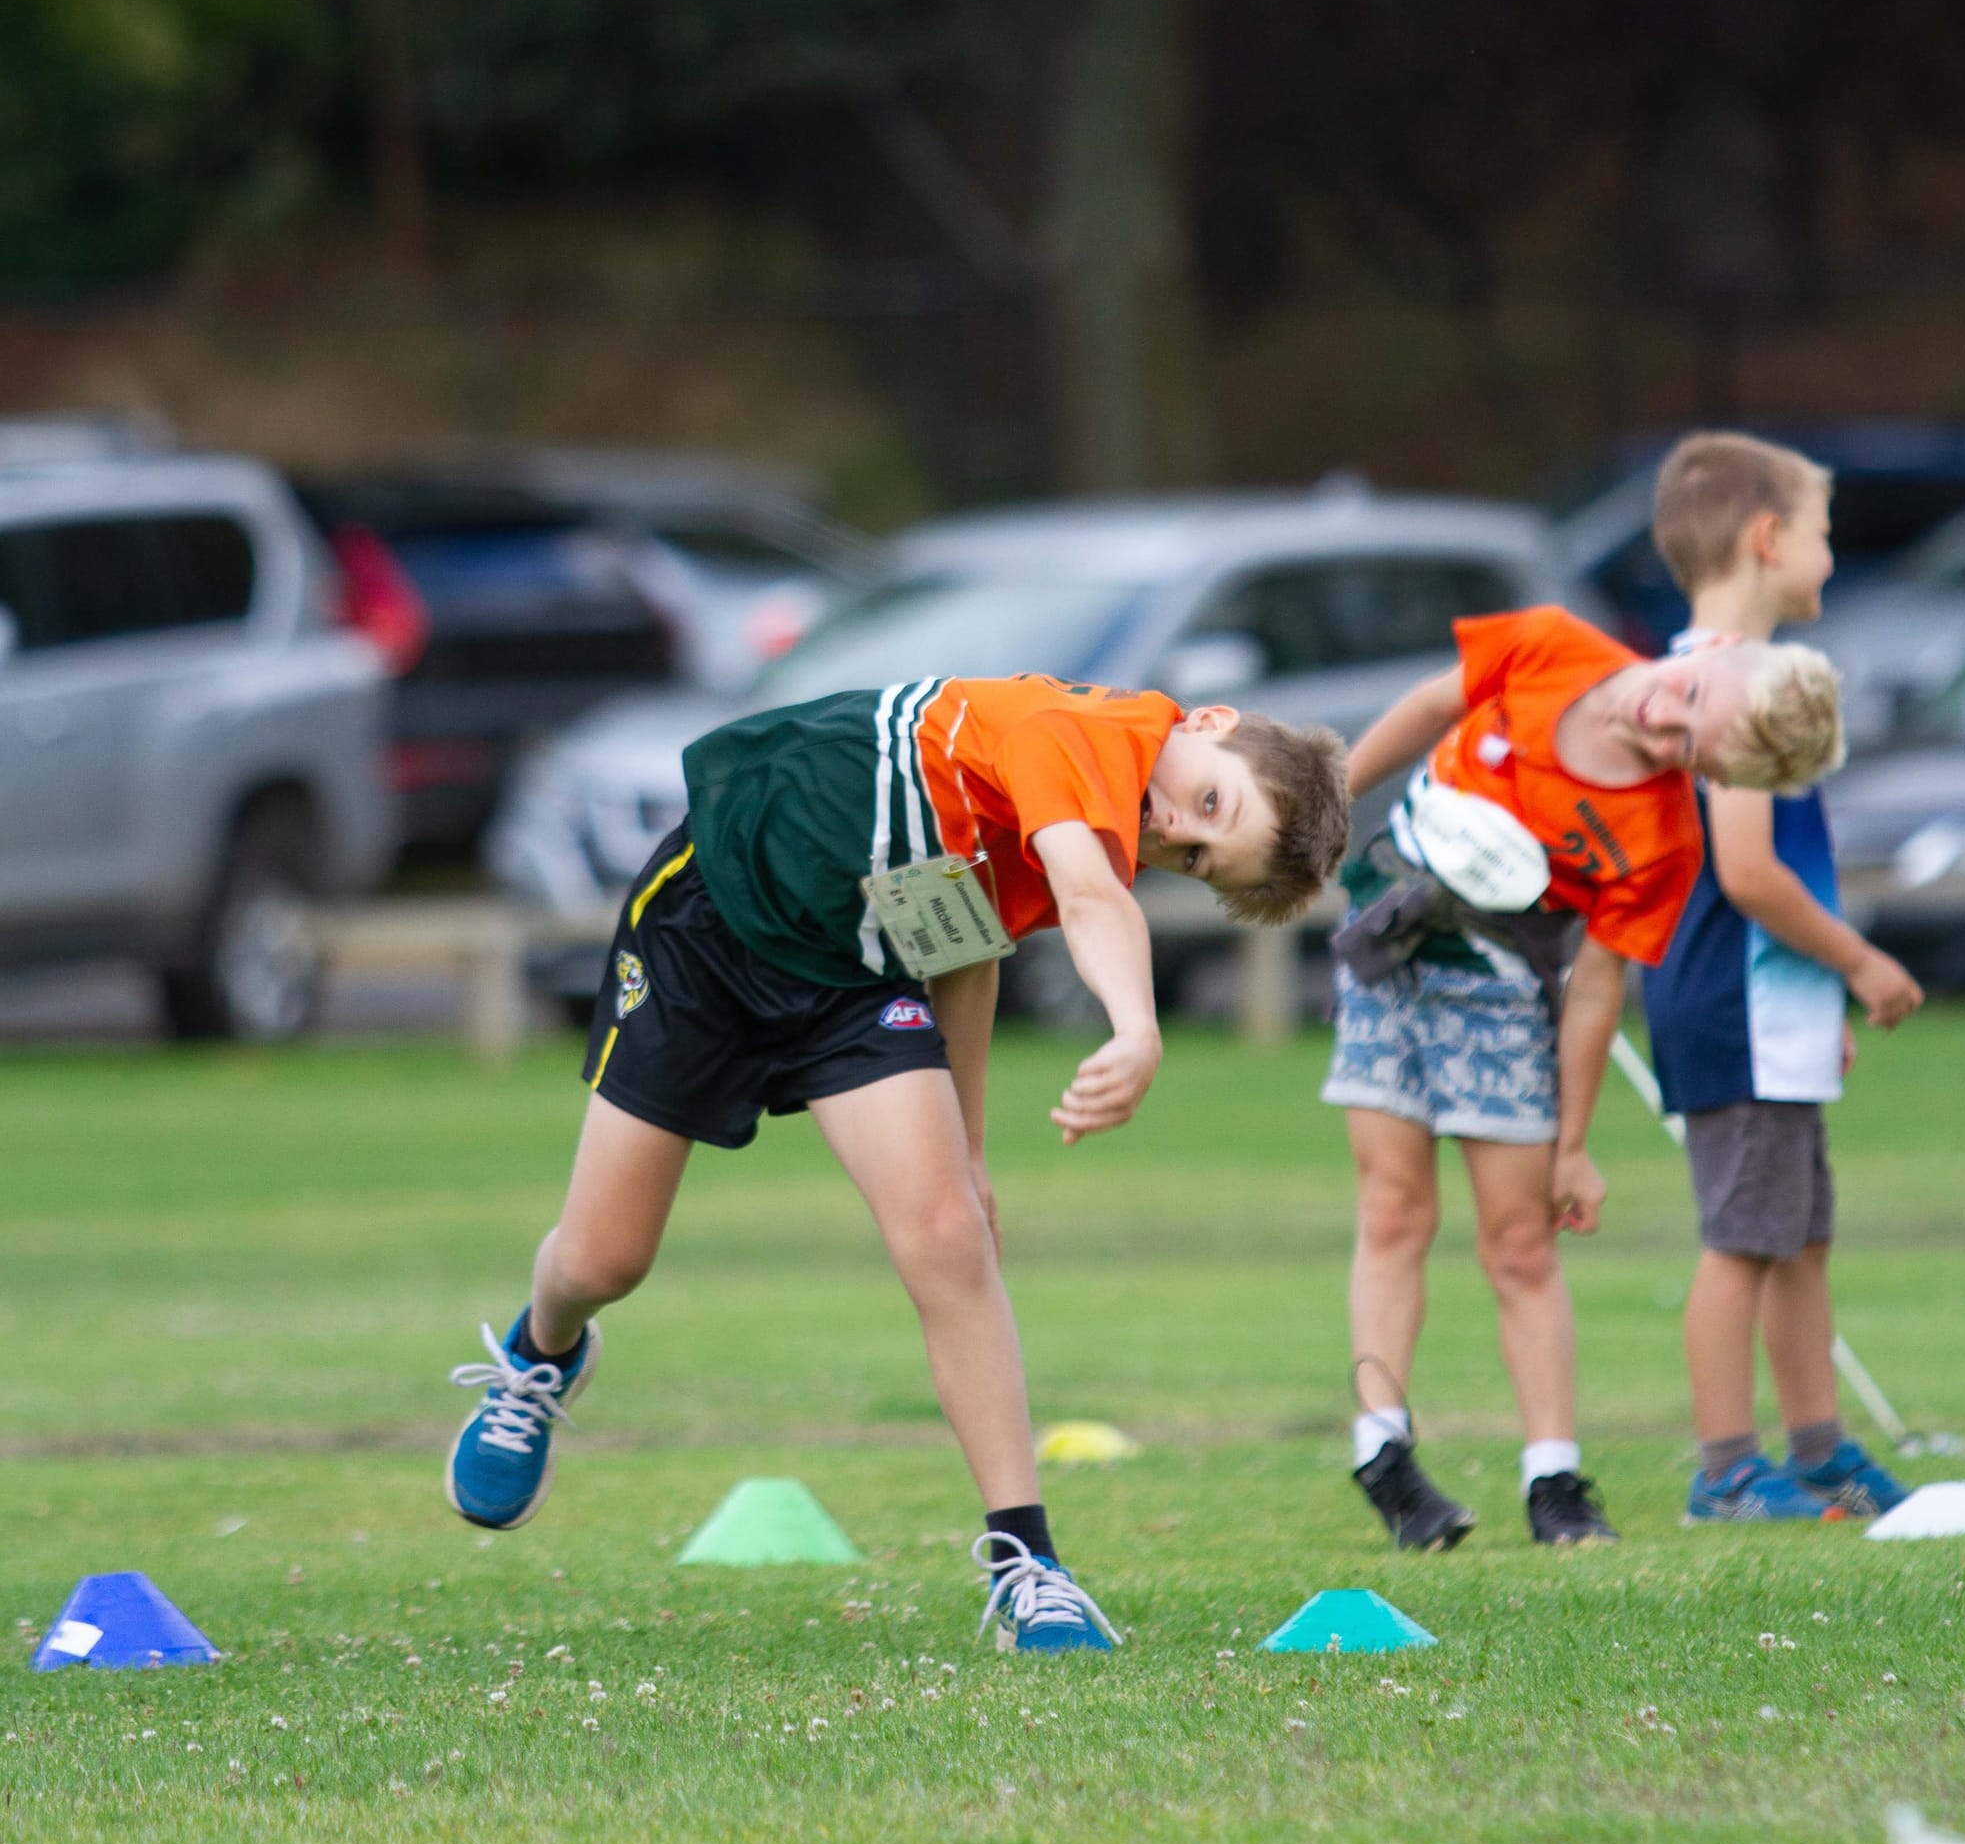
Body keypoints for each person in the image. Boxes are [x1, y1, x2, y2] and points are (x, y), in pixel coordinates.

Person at [444, 673, 1349, 1651]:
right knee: (602, 1261)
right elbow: (1092, 900)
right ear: (1208, 723)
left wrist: (969, 1152)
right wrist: (1136, 1029)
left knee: (951, 1238)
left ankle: (1028, 1566)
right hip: (708, 931)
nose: (1174, 830)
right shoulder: (1075, 733)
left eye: (1197, 856)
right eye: (1209, 801)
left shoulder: (1083, 830)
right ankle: (541, 1354)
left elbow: (955, 934)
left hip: (855, 977)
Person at [1325, 603, 1843, 1551]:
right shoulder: (1551, 642)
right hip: (1386, 953)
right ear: (1714, 656)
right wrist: (1329, 804)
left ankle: (1554, 1481)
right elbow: (1433, 703)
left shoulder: (1664, 840)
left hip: (1502, 993)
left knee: (1520, 1242)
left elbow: (1597, 987)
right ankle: (1383, 1452)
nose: (1665, 721)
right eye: (1689, 696)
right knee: (1393, 1210)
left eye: (1691, 748)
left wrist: (1572, 1145)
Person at [1641, 433, 1922, 1522]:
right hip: (1734, 1008)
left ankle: (1818, 1453)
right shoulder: (1728, 684)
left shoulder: (1748, 671)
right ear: (1767, 538)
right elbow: (1749, 870)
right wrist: (1857, 961)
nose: (1829, 559)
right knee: (1743, 1240)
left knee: (1798, 1236)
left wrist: (1816, 999)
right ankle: (1724, 1471)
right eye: (1821, 534)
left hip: (1774, 1011)